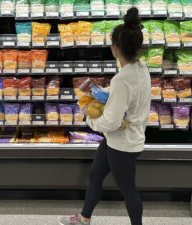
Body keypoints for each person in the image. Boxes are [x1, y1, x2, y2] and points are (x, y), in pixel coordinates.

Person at [58, 7, 151, 225]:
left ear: (115, 48)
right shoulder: (141, 68)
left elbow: (110, 122)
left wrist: (88, 117)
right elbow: (125, 94)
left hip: (124, 145)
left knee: (129, 191)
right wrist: (102, 92)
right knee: (95, 175)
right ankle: (84, 218)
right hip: (117, 140)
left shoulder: (123, 79)